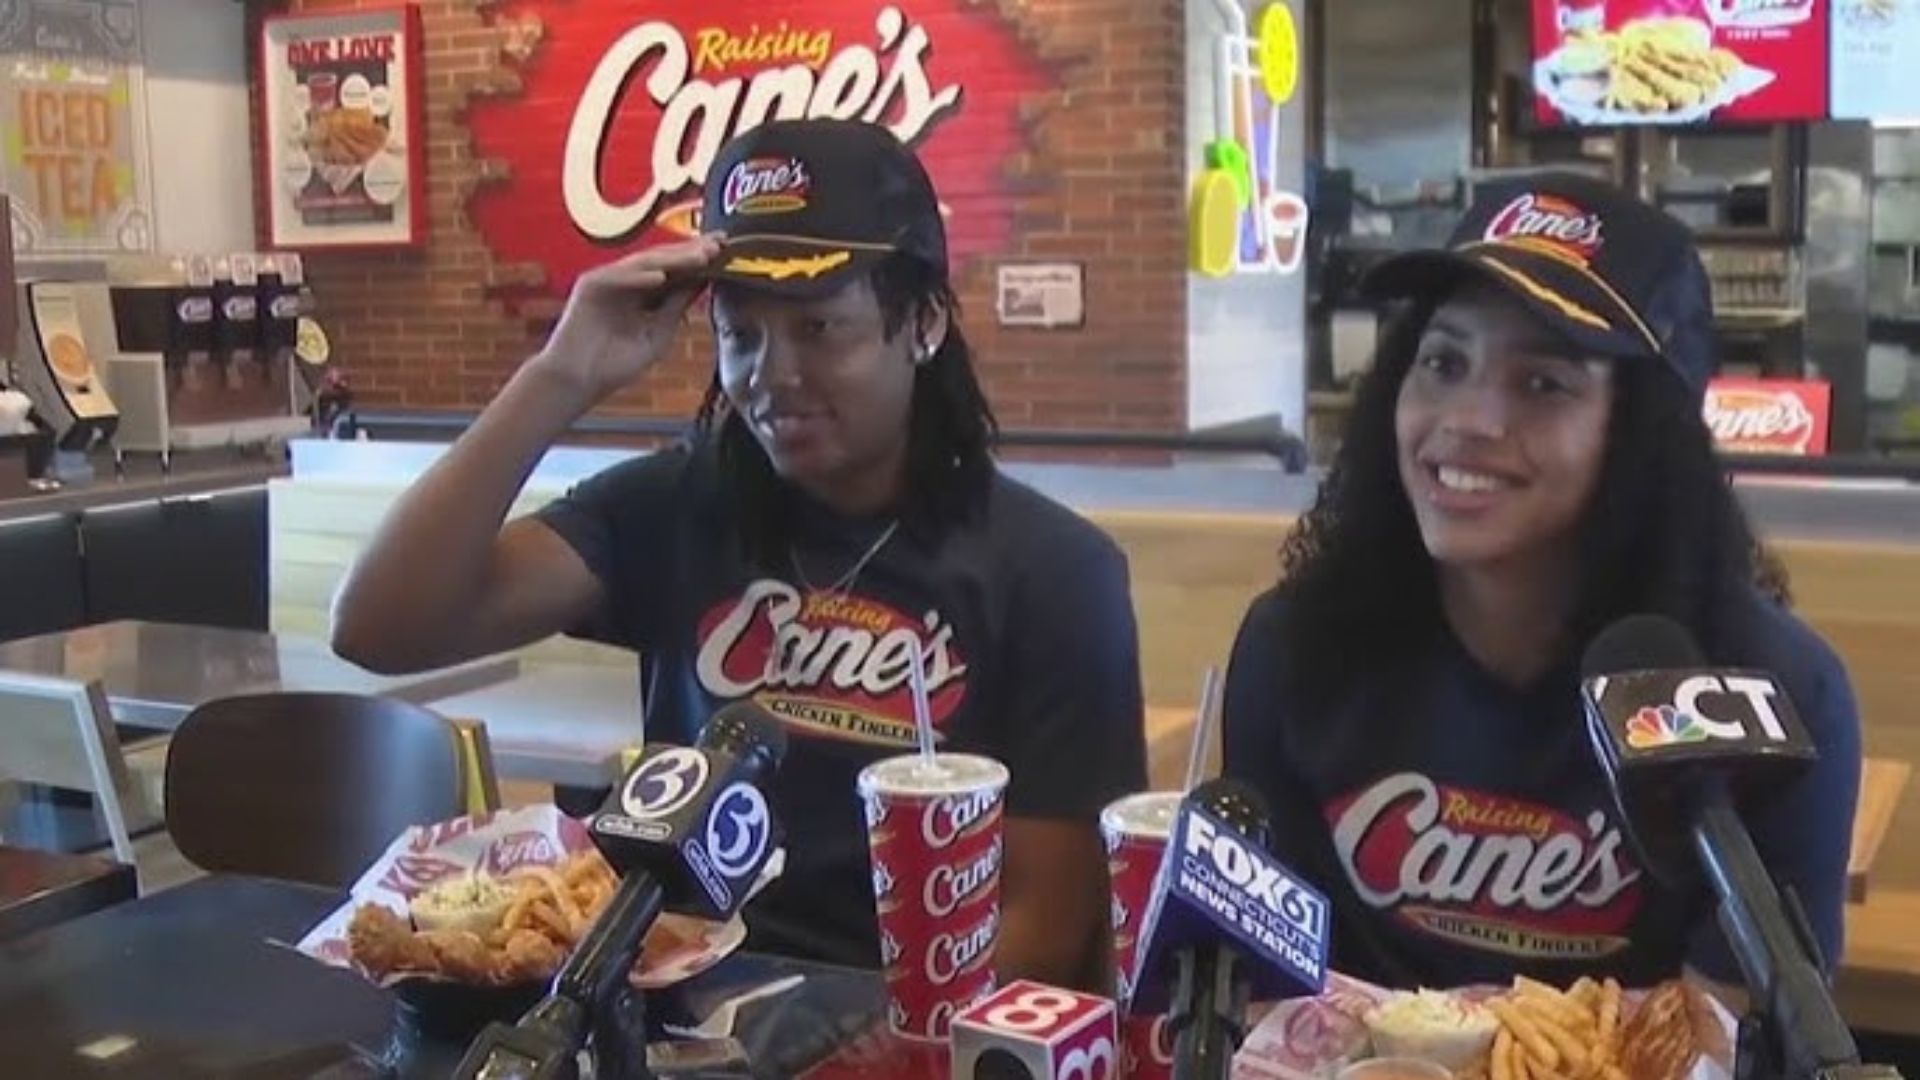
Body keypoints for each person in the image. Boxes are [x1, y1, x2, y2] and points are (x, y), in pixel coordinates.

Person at [331, 119, 1147, 987]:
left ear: (924, 322)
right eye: (740, 333)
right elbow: (381, 626)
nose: (771, 374)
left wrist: (889, 1045)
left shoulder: (1058, 571)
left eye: (820, 327)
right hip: (679, 1006)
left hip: (914, 1025)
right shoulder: (677, 505)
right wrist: (561, 374)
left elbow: (1048, 928)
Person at [1220, 173, 1860, 998]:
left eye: (1543, 383)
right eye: (1444, 361)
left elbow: (1721, 1037)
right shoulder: (1293, 648)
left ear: (1639, 433)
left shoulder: (1775, 698)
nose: (1470, 420)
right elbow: (1273, 995)